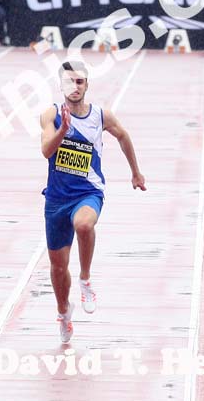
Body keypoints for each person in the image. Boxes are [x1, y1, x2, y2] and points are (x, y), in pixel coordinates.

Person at [40, 61, 146, 343]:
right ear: (60, 85)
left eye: (80, 82)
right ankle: (63, 312)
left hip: (88, 192)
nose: (74, 87)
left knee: (84, 225)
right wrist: (63, 130)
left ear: (87, 85)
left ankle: (86, 279)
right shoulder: (51, 114)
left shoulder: (100, 115)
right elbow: (46, 150)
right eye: (68, 82)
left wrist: (135, 172)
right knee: (58, 267)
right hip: (56, 199)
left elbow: (123, 136)